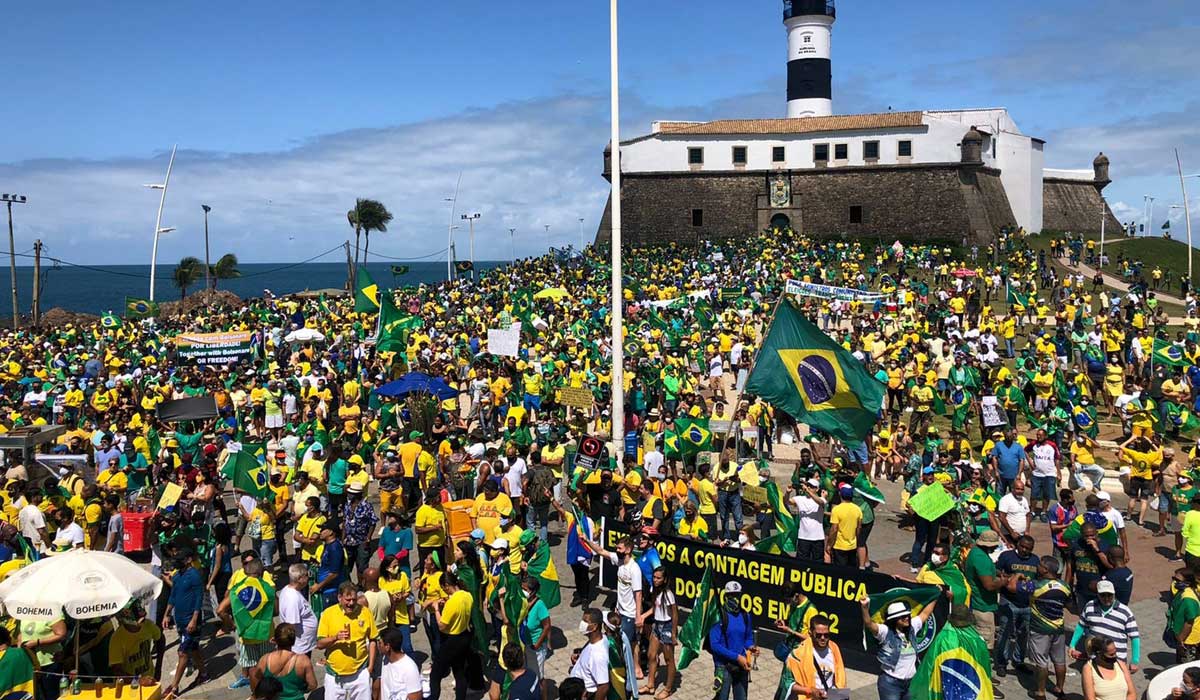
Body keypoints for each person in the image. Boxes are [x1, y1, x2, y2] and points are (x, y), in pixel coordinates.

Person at [1008, 556, 1071, 700]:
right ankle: (1059, 688)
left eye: (1040, 565)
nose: (1038, 566)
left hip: (1040, 630)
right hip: (1059, 629)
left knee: (1041, 662)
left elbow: (1012, 586)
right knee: (1060, 661)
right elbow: (1069, 604)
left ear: (1046, 570)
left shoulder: (1036, 585)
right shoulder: (1064, 586)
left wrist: (1017, 575)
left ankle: (1040, 692)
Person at [218, 557, 278, 690]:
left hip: (246, 635)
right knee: (266, 666)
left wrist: (231, 624)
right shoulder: (268, 588)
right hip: (265, 634)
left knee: (251, 667)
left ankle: (255, 693)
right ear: (261, 572)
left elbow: (220, 610)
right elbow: (276, 611)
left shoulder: (237, 589)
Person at [316, 581, 378, 700]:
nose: (351, 603)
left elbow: (373, 640)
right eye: (347, 600)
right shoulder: (328, 614)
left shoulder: (365, 612)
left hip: (360, 673)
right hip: (335, 676)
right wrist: (335, 638)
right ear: (339, 598)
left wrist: (370, 667)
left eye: (354, 600)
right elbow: (319, 644)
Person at [860, 596, 931, 700]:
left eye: (907, 615)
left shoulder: (912, 627)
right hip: (890, 684)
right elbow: (869, 624)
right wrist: (864, 608)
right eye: (903, 616)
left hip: (911, 683)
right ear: (894, 620)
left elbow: (925, 613)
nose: (907, 618)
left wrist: (936, 594)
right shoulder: (885, 632)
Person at [593, 535, 643, 679]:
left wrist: (638, 616)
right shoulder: (619, 561)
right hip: (620, 611)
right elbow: (602, 552)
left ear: (628, 550)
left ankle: (630, 670)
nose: (617, 550)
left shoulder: (634, 569)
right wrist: (586, 540)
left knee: (626, 643)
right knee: (630, 642)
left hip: (630, 614)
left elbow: (638, 594)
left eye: (619, 548)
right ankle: (635, 668)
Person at [429, 570, 479, 700]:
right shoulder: (468, 596)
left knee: (435, 674)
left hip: (452, 640)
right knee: (459, 671)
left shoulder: (452, 602)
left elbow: (442, 625)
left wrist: (436, 609)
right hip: (464, 636)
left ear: (446, 585)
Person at [162, 555, 208, 696]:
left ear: (188, 559)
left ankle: (174, 687)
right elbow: (173, 596)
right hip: (180, 621)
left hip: (191, 622)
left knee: (182, 653)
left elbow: (199, 598)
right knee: (193, 650)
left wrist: (194, 619)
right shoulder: (177, 576)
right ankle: (204, 674)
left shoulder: (194, 575)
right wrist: (167, 614)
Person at [1070, 580, 1140, 669]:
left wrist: (1135, 660)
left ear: (1114, 594)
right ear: (1098, 594)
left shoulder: (1125, 612)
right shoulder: (1090, 606)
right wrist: (1072, 645)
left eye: (1109, 595)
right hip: (1095, 659)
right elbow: (1081, 626)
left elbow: (1134, 637)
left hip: (1117, 662)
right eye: (1103, 595)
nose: (1106, 598)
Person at [995, 534, 1039, 676]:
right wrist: (1010, 578)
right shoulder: (1006, 556)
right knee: (1005, 632)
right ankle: (1001, 662)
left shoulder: (1035, 560)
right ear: (1018, 544)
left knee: (1023, 634)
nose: (1025, 550)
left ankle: (1019, 661)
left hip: (1027, 603)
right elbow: (996, 571)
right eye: (1023, 546)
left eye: (1028, 548)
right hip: (1009, 601)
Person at [709, 581, 756, 700]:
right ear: (726, 596)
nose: (735, 598)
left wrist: (751, 647)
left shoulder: (745, 615)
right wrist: (737, 657)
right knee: (722, 697)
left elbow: (748, 637)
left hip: (741, 666)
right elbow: (715, 645)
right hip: (724, 666)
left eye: (737, 595)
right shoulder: (718, 616)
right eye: (732, 595)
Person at [964, 529, 1008, 653]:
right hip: (982, 606)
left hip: (981, 603)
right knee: (985, 643)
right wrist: (1003, 582)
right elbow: (989, 585)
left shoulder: (976, 553)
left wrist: (997, 572)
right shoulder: (980, 558)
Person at [782, 614, 845, 700]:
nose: (823, 638)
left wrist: (839, 695)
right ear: (810, 633)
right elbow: (787, 683)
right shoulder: (797, 654)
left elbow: (840, 677)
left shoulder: (834, 648)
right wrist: (811, 691)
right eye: (818, 635)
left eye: (826, 635)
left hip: (831, 697)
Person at [250, 623, 318, 700]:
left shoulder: (264, 660)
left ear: (275, 639)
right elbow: (313, 685)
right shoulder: (303, 660)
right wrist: (301, 690)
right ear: (293, 640)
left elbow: (256, 681)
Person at [639, 567, 677, 700]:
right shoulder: (654, 590)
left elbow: (674, 614)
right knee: (651, 655)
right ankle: (650, 685)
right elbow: (655, 608)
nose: (655, 580)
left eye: (658, 578)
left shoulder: (668, 594)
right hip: (657, 625)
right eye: (654, 577)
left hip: (667, 627)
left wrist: (673, 633)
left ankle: (668, 688)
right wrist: (643, 616)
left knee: (669, 659)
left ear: (665, 579)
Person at [108, 601, 162, 679]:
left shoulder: (148, 625)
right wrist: (138, 681)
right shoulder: (117, 638)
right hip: (129, 686)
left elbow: (160, 639)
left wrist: (158, 667)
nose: (143, 622)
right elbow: (117, 670)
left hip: (150, 678)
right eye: (140, 620)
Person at [569, 608, 611, 700]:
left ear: (595, 626)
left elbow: (603, 686)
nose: (582, 624)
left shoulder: (598, 655)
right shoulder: (597, 639)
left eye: (586, 621)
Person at [278, 564, 318, 656]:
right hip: (299, 648)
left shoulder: (289, 590)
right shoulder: (293, 599)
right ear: (300, 579)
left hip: (303, 645)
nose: (308, 578)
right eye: (307, 575)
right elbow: (291, 626)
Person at [380, 626, 422, 700]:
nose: (378, 646)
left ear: (387, 647)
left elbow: (416, 697)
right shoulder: (385, 660)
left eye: (380, 643)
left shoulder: (409, 668)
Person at [1169, 568, 1200, 663]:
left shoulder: (1188, 599)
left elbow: (1189, 623)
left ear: (1187, 582)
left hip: (1189, 639)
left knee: (1186, 665)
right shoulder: (1183, 591)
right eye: (1173, 578)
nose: (1174, 582)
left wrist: (1181, 640)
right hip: (1184, 636)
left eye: (1177, 580)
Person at [826, 484, 861, 567]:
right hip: (852, 545)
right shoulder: (857, 509)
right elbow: (859, 527)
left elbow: (834, 529)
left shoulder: (837, 510)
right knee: (851, 569)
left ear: (840, 495)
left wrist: (829, 544)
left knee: (840, 570)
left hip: (839, 546)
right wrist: (857, 540)